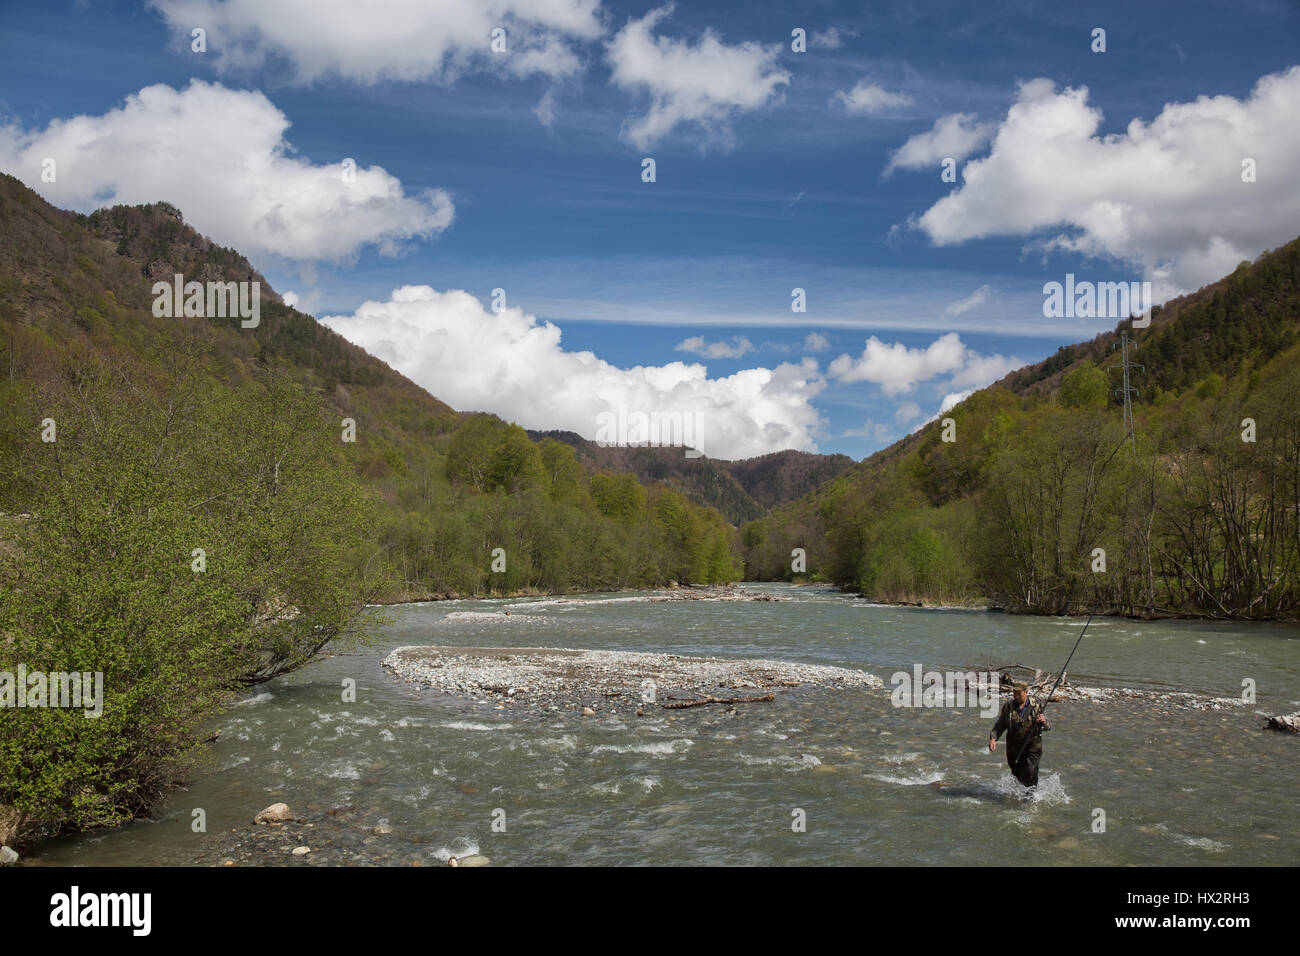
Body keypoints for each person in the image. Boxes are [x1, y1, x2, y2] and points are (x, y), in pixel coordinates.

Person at [988, 681, 1049, 787]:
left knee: (1031, 771)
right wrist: (993, 738)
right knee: (1016, 773)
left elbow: (1048, 727)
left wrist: (1043, 721)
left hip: (1032, 744)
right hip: (1014, 745)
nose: (1016, 697)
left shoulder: (1036, 705)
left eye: (1019, 694)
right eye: (1014, 694)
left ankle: (1030, 797)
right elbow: (1000, 724)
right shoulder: (1008, 707)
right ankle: (1017, 796)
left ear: (1026, 692)